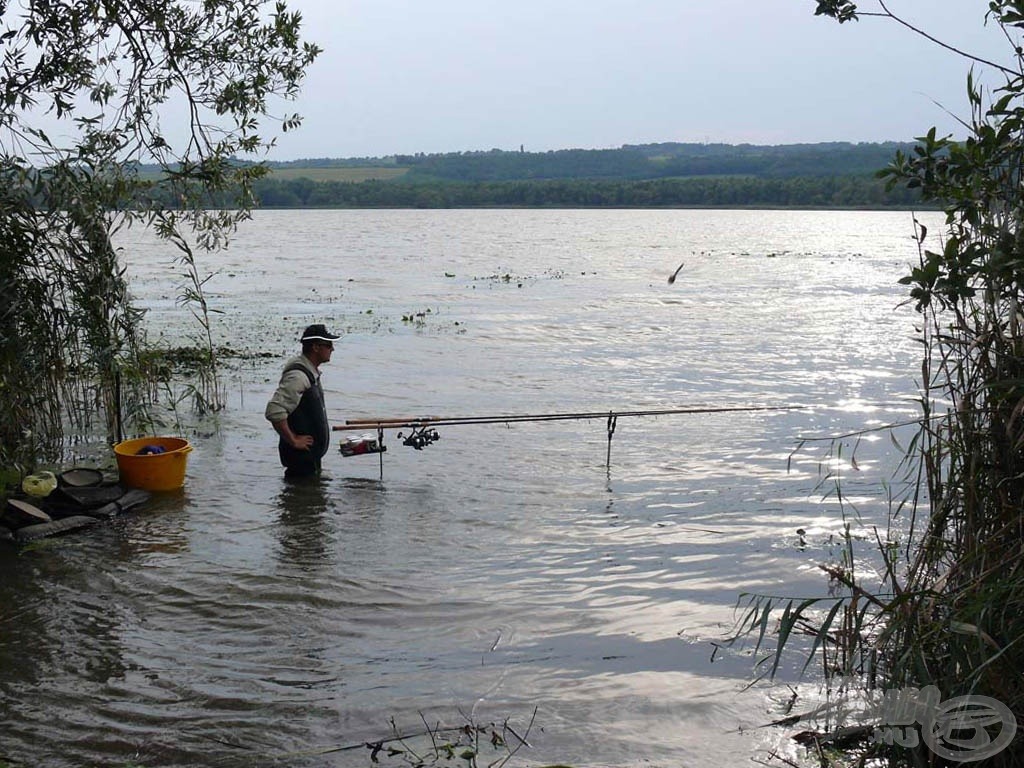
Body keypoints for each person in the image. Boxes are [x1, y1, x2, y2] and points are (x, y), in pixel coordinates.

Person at [265, 323, 341, 477]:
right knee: (301, 498)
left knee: (308, 498)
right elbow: (275, 411)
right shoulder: (298, 376)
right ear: (315, 347)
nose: (332, 349)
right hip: (300, 462)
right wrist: (293, 440)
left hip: (309, 460)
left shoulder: (310, 372)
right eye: (328, 345)